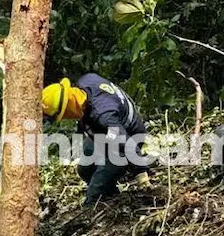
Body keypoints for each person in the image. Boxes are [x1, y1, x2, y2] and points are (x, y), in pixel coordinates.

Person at [42, 74, 148, 205]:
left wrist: (141, 174)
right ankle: (112, 196)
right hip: (105, 131)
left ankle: (95, 207)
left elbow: (125, 143)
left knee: (94, 193)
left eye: (64, 115)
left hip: (128, 135)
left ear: (69, 108)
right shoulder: (86, 82)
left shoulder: (103, 116)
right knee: (85, 170)